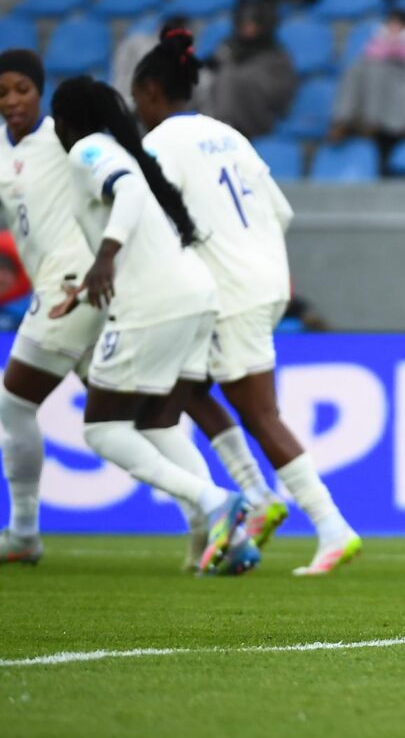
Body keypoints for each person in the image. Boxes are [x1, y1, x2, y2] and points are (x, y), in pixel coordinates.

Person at [133, 30, 362, 576]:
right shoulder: (228, 135)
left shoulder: (159, 145)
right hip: (264, 277)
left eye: (136, 97)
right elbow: (280, 211)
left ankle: (332, 527)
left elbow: (153, 224)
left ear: (149, 91)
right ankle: (256, 497)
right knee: (186, 387)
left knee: (259, 413)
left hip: (229, 290)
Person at [49, 75, 256, 576]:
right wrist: (89, 284)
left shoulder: (88, 150)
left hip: (154, 304)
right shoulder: (117, 148)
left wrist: (104, 257)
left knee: (102, 430)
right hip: (193, 295)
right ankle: (220, 538)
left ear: (65, 121)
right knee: (156, 423)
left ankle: (216, 503)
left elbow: (126, 192)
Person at [0, 51, 106, 565]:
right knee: (126, 419)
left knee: (12, 405)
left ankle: (23, 531)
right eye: (2, 93)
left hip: (73, 284)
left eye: (22, 89)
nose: (12, 101)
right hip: (66, 291)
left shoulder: (65, 140)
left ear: (39, 91)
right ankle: (214, 509)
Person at [331, 8, 405, 165]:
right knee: (359, 70)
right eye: (391, 24)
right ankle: (351, 121)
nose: (394, 28)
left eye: (398, 25)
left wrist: (400, 48)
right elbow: (370, 55)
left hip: (404, 90)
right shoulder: (378, 41)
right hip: (380, 94)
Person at [196, 0, 297, 139]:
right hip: (218, 117)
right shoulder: (228, 48)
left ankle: (223, 126)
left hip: (257, 120)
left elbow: (280, 97)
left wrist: (242, 79)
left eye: (253, 24)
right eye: (244, 24)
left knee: (229, 75)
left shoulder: (277, 57)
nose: (248, 29)